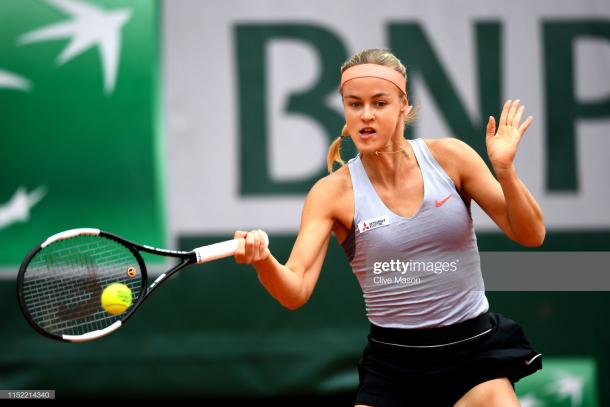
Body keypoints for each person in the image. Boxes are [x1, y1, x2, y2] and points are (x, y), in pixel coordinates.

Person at [234, 48, 545, 406]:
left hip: (474, 357)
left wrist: (505, 172)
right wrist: (263, 260)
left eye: (379, 103)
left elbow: (531, 234)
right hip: (395, 368)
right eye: (354, 104)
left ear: (403, 105)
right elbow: (295, 290)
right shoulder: (333, 193)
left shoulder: (451, 158)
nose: (366, 115)